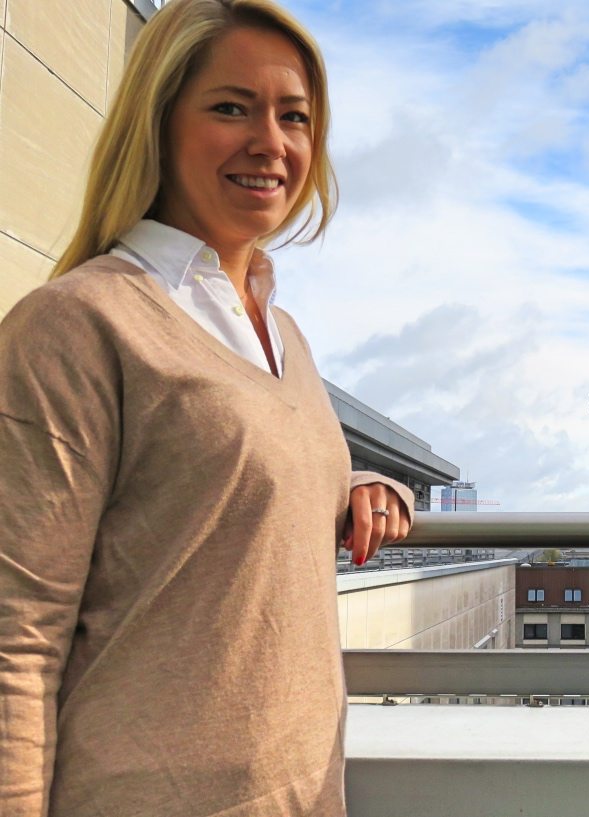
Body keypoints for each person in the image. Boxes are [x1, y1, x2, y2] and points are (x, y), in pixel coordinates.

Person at [0, 1, 412, 814]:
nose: (272, 142)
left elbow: (224, 485)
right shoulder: (76, 324)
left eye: (294, 117)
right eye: (232, 107)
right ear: (157, 122)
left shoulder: (281, 331)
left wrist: (363, 484)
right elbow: (18, 635)